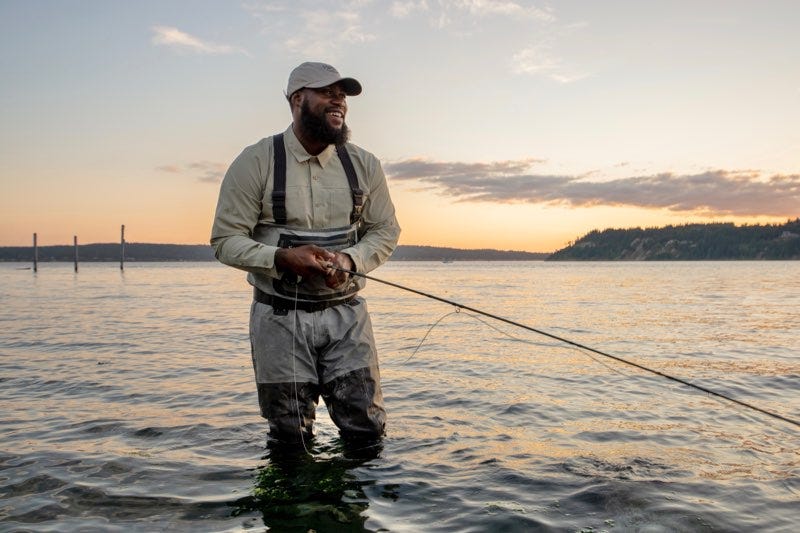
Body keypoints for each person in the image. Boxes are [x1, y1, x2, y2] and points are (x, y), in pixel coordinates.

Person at [210, 62, 401, 444]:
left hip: (347, 318)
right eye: (328, 92)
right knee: (289, 437)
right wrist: (281, 259)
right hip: (278, 319)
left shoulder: (365, 164)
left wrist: (350, 261)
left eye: (342, 95)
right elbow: (225, 239)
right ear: (298, 99)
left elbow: (385, 231)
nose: (339, 101)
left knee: (367, 430)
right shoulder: (255, 160)